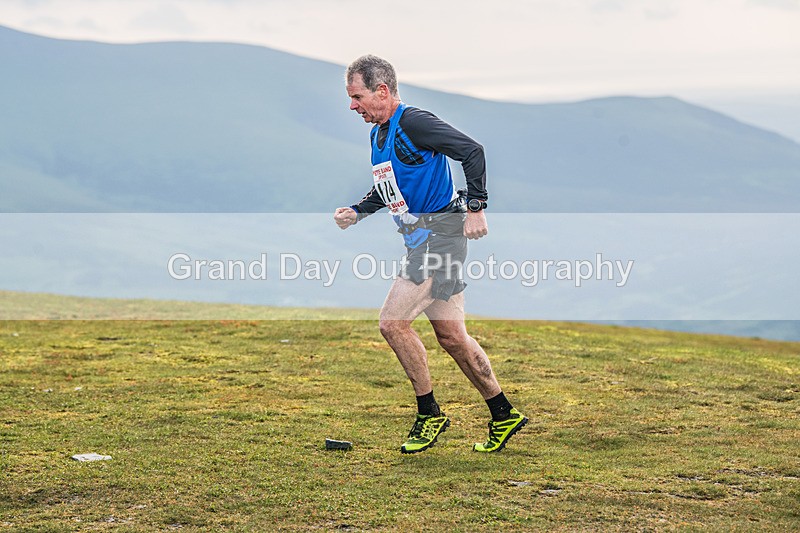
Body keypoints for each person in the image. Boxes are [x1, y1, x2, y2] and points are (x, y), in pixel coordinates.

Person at [333, 55, 527, 454]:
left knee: (392, 323)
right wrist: (358, 211)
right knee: (453, 337)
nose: (352, 106)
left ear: (382, 91)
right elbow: (390, 188)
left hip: (441, 238)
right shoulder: (379, 134)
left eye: (357, 97)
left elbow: (472, 151)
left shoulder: (413, 122)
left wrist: (476, 207)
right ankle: (503, 413)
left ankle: (429, 414)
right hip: (423, 241)